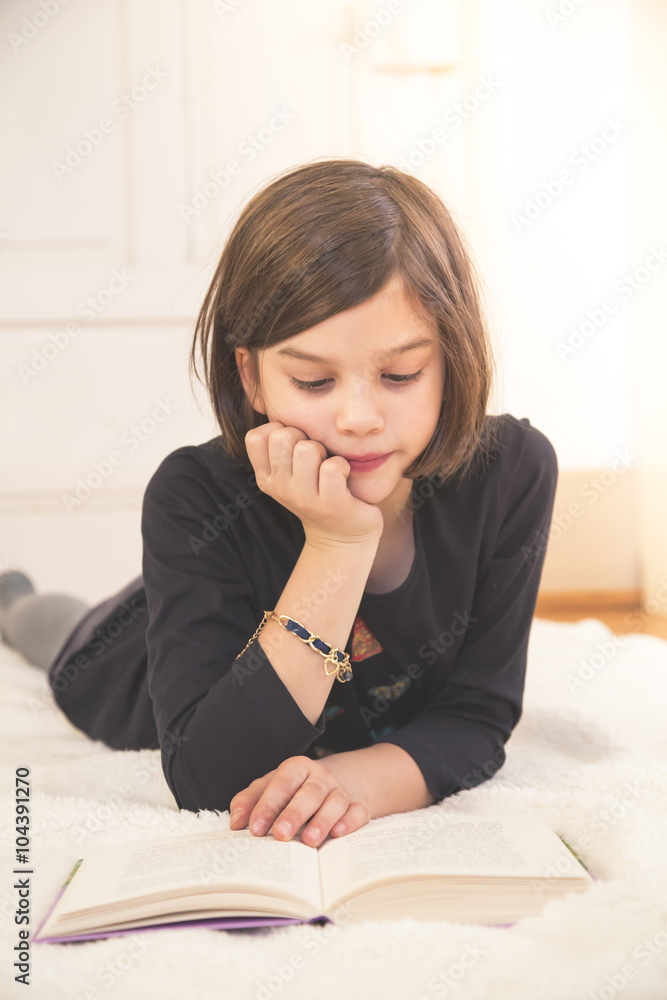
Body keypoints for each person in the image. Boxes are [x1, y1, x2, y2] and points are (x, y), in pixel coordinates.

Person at [0, 157, 558, 849]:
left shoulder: (513, 472)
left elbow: (475, 720)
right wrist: (336, 546)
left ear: (451, 358)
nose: (359, 417)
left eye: (400, 374)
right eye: (314, 381)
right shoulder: (192, 495)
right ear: (252, 377)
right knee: (54, 625)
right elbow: (208, 780)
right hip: (122, 658)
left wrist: (359, 779)